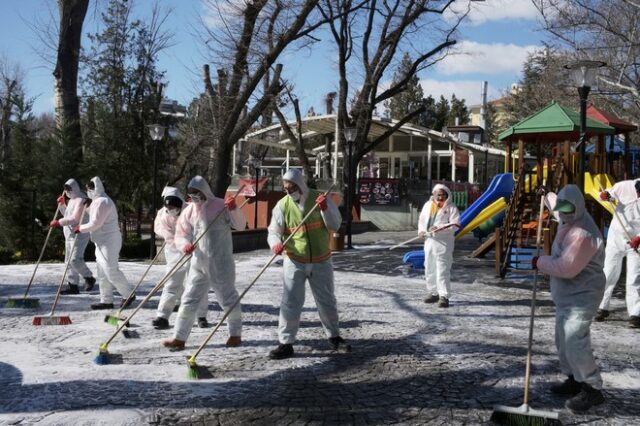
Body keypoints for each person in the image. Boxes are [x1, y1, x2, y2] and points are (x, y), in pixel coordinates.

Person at [533, 184, 605, 412]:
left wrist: (539, 262)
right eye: (561, 209)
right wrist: (546, 195)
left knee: (575, 341)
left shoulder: (583, 233)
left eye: (568, 209)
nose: (563, 214)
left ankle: (592, 389)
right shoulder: (568, 216)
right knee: (562, 340)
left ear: (578, 208)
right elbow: (557, 207)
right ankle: (574, 379)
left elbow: (566, 267)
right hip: (566, 295)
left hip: (583, 295)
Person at [266, 168, 349, 360]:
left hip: (321, 259)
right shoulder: (282, 205)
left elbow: (334, 225)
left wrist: (325, 210)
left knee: (327, 300)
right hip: (295, 260)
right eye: (286, 188)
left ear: (301, 185)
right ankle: (285, 343)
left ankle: (334, 337)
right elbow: (273, 230)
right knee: (290, 301)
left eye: (292, 187)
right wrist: (275, 243)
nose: (289, 191)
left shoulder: (320, 199)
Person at [162, 175, 247, 351]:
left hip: (220, 262)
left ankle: (235, 333)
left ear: (204, 191)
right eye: (191, 193)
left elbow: (240, 225)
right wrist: (184, 244)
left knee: (227, 298)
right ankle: (179, 337)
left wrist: (233, 209)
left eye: (197, 192)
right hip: (198, 262)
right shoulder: (189, 211)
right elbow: (181, 233)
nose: (194, 196)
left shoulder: (220, 206)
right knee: (189, 298)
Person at [151, 186, 208, 330]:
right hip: (175, 252)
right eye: (169, 206)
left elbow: (202, 229)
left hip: (195, 252)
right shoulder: (163, 215)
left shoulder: (192, 211)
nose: (172, 209)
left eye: (174, 206)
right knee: (171, 285)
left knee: (195, 283)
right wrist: (180, 244)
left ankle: (201, 316)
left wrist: (193, 243)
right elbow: (162, 231)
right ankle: (162, 316)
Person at [75, 177, 134, 310]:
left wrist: (81, 228)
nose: (88, 191)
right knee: (102, 272)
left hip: (109, 241)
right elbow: (94, 215)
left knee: (110, 269)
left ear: (95, 188)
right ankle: (106, 300)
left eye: (89, 189)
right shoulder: (97, 201)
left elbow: (96, 223)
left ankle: (128, 294)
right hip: (100, 241)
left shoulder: (103, 201)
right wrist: (86, 206)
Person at [596, 179, 640, 328]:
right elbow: (609, 194)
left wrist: (639, 238)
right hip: (616, 237)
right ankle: (602, 307)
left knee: (634, 277)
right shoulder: (624, 186)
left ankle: (635, 313)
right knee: (609, 273)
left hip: (636, 240)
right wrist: (605, 195)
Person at [417, 184, 460, 308]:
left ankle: (444, 296)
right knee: (429, 267)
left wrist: (439, 229)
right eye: (438, 195)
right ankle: (433, 292)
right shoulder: (427, 205)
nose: (440, 197)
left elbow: (455, 225)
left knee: (442, 269)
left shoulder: (452, 208)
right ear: (434, 194)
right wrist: (421, 231)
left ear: (447, 195)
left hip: (444, 243)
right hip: (429, 242)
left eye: (443, 195)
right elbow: (422, 220)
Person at [49, 179, 96, 294]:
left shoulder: (81, 200)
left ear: (75, 188)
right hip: (68, 234)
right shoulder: (71, 201)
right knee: (68, 262)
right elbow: (67, 215)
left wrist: (58, 222)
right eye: (65, 189)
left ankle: (89, 278)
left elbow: (74, 219)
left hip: (79, 234)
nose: (67, 191)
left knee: (75, 260)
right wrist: (61, 205)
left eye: (69, 189)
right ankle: (73, 285)